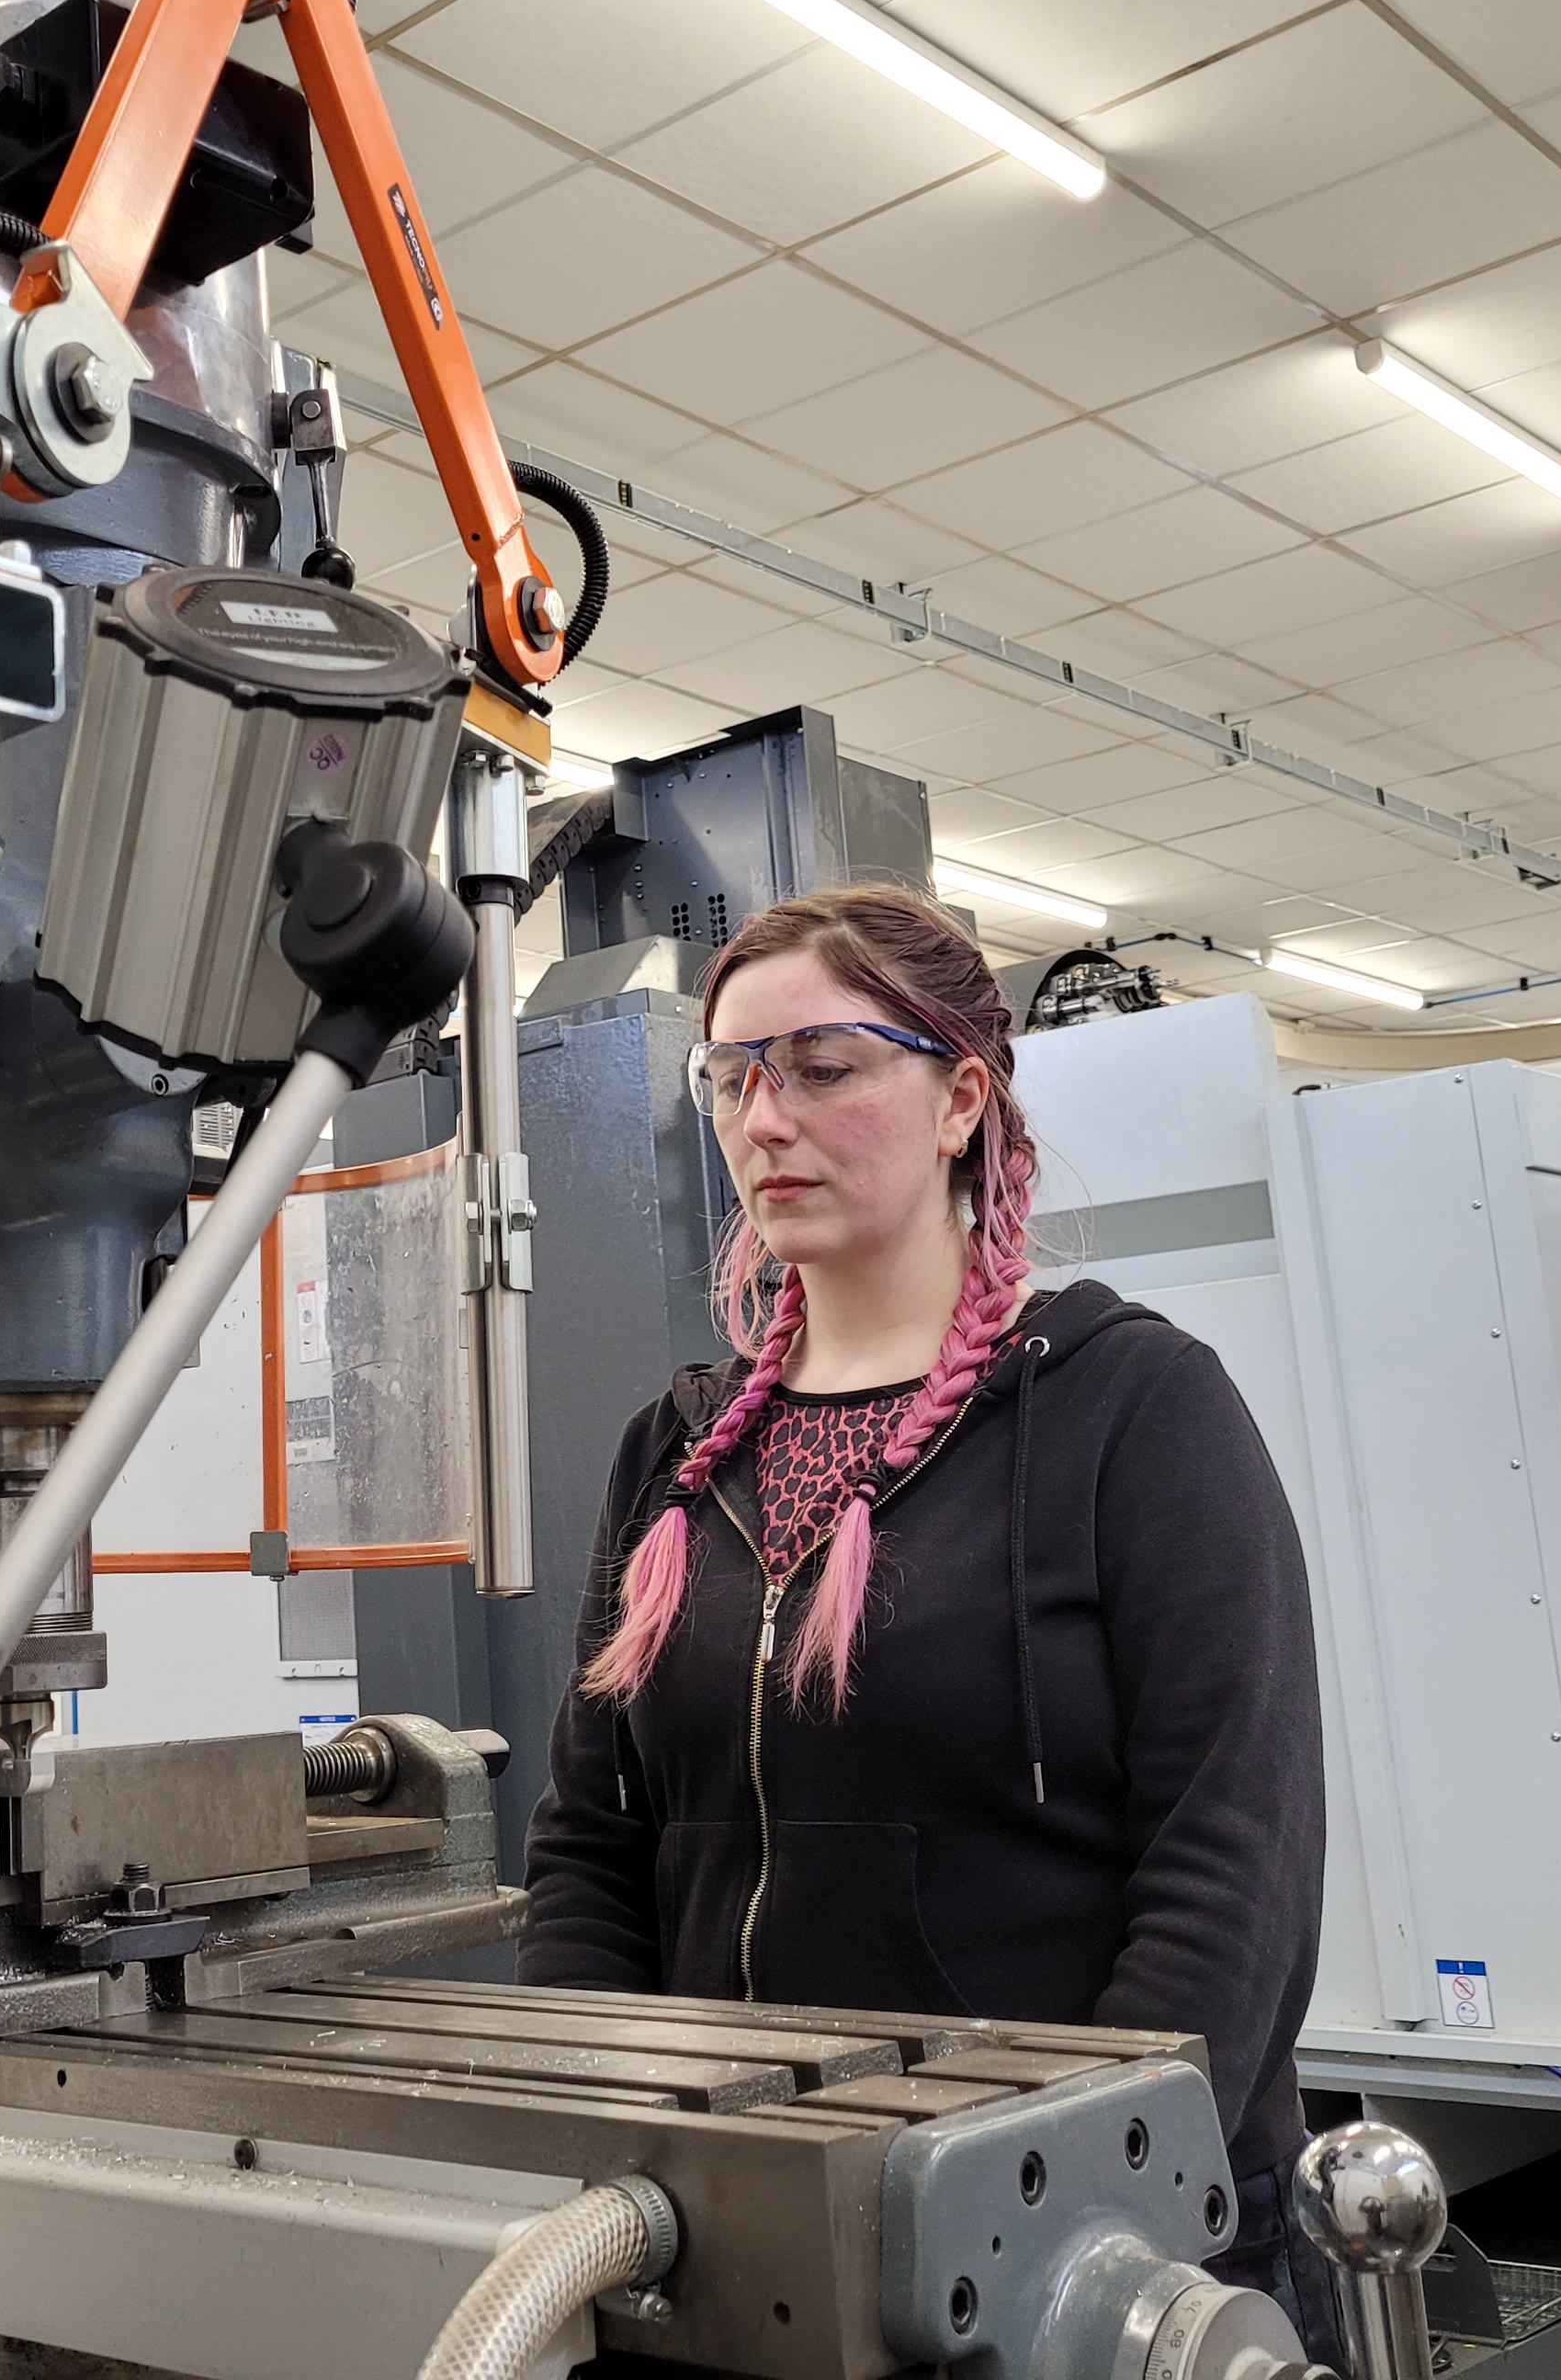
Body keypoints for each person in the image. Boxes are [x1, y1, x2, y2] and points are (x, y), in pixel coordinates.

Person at [519, 884, 1332, 2346]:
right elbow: (589, 1845)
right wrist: (617, 2144)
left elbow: (1232, 1866)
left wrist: (1071, 2209)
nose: (766, 1120)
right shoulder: (676, 1452)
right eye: (732, 1079)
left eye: (823, 1068)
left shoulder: (1134, 1411)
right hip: (746, 2253)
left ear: (962, 1097)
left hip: (1075, 2264)